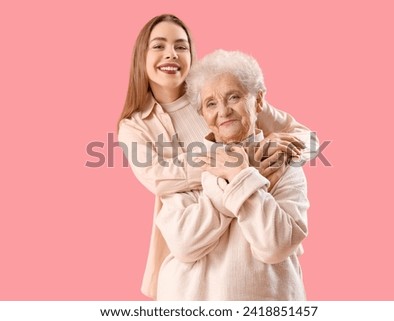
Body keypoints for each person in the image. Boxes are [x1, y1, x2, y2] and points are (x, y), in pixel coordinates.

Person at [117, 14, 317, 299]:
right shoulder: (135, 126)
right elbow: (162, 180)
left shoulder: (218, 85)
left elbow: (308, 138)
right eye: (158, 46)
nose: (171, 54)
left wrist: (283, 153)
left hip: (251, 250)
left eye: (181, 46)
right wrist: (237, 165)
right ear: (142, 56)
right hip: (195, 245)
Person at [155, 50, 309, 300]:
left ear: (258, 101)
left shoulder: (282, 161)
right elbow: (184, 244)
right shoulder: (185, 168)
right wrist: (250, 175)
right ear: (203, 115)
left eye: (234, 97)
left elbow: (276, 245)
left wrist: (237, 175)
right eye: (211, 104)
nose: (224, 111)